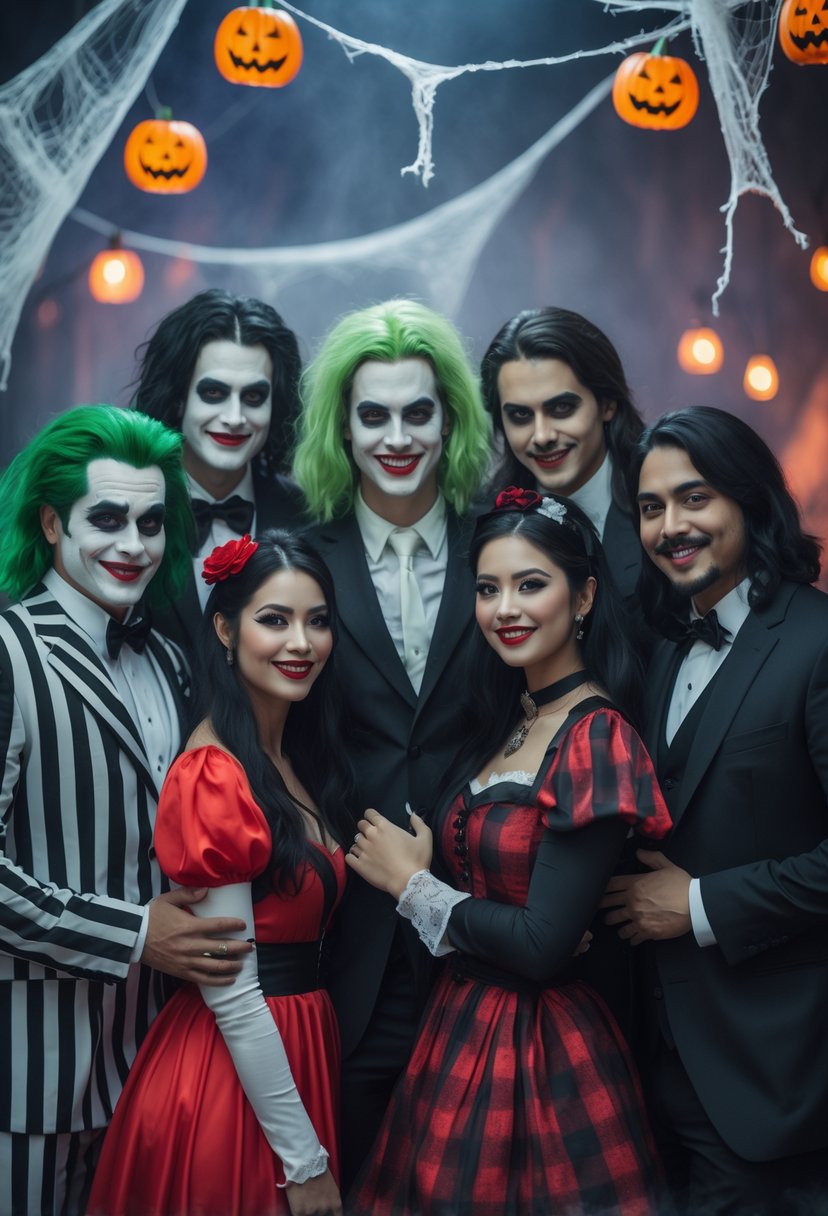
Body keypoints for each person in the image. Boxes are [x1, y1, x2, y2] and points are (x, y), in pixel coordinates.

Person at [346, 487, 672, 1216]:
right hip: (457, 1026)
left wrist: (413, 885)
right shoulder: (516, 719)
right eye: (488, 588)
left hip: (541, 1048)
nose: (505, 609)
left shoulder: (595, 734)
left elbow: (541, 946)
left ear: (582, 596)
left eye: (531, 584)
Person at [0, 405, 252, 1216]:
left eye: (150, 522)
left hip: (151, 1064)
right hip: (27, 1077)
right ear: (49, 521)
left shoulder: (171, 658)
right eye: (105, 519)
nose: (133, 545)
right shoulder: (8, 651)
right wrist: (139, 934)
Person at [602, 407, 828, 1214]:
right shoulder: (665, 649)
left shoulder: (817, 642)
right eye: (651, 507)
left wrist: (697, 904)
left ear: (748, 499)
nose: (670, 526)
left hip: (777, 1079)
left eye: (692, 499)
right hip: (659, 1069)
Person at [88, 530, 354, 1216]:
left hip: (293, 1050)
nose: (301, 642)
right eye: (275, 619)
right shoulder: (213, 773)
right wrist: (304, 1160)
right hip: (231, 1070)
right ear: (225, 629)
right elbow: (232, 994)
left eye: (317, 621)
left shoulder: (293, 758)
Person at [292, 298, 492, 1186]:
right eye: (373, 414)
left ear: (450, 419)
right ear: (343, 425)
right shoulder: (300, 561)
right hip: (349, 948)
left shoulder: (505, 545)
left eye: (418, 411)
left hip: (491, 926)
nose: (396, 435)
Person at [133, 288, 305, 651]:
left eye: (254, 397)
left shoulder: (308, 518)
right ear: (179, 397)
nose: (234, 418)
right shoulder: (127, 511)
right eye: (213, 393)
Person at [480, 306, 645, 604]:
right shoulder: (483, 521)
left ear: (607, 403)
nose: (542, 436)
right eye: (520, 415)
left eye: (561, 409)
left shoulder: (662, 509)